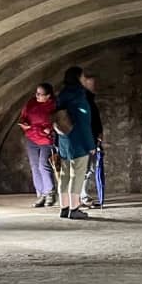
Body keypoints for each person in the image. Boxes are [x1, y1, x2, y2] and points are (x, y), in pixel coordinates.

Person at [52, 66, 98, 219]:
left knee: (64, 174)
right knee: (77, 175)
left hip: (64, 140)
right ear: (78, 78)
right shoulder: (79, 96)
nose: (86, 79)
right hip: (78, 141)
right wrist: (90, 145)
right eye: (83, 76)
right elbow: (84, 123)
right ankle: (74, 208)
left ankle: (64, 208)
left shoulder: (62, 95)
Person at [17, 82, 58, 207]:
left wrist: (49, 129)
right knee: (35, 166)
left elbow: (57, 120)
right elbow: (23, 117)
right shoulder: (31, 103)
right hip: (31, 138)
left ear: (48, 96)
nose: (37, 96)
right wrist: (24, 124)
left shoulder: (54, 105)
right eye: (36, 93)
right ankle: (41, 194)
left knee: (43, 165)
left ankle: (50, 192)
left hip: (46, 140)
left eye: (40, 94)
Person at [81, 71, 105, 208]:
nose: (96, 86)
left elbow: (95, 118)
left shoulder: (89, 98)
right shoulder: (84, 99)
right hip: (87, 138)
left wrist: (99, 132)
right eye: (93, 83)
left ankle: (82, 195)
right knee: (86, 168)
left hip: (91, 137)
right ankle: (82, 196)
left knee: (88, 167)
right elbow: (89, 120)